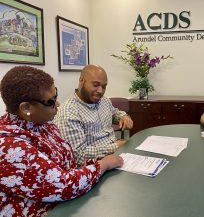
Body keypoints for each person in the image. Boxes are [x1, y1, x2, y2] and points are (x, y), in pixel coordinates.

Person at [0, 66, 123, 216]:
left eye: (56, 96)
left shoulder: (45, 124)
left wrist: (94, 166)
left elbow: (69, 163)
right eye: (51, 101)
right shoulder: (9, 147)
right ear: (26, 108)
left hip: (69, 200)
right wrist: (103, 164)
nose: (58, 104)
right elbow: (63, 186)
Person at [54, 64, 133, 164]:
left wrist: (123, 116)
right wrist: (116, 146)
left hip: (117, 153)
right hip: (95, 165)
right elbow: (78, 155)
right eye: (95, 85)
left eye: (104, 87)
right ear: (81, 80)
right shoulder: (68, 113)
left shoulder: (104, 100)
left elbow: (114, 113)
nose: (100, 91)